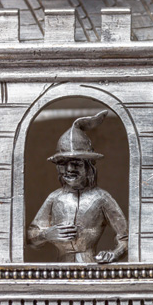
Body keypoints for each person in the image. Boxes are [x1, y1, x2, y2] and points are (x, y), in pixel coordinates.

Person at [28, 111, 128, 263]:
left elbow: (126, 237)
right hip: (59, 272)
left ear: (88, 167)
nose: (69, 169)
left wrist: (114, 253)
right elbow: (31, 237)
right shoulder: (54, 198)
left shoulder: (101, 198)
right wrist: (46, 234)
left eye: (76, 163)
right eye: (63, 164)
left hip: (91, 268)